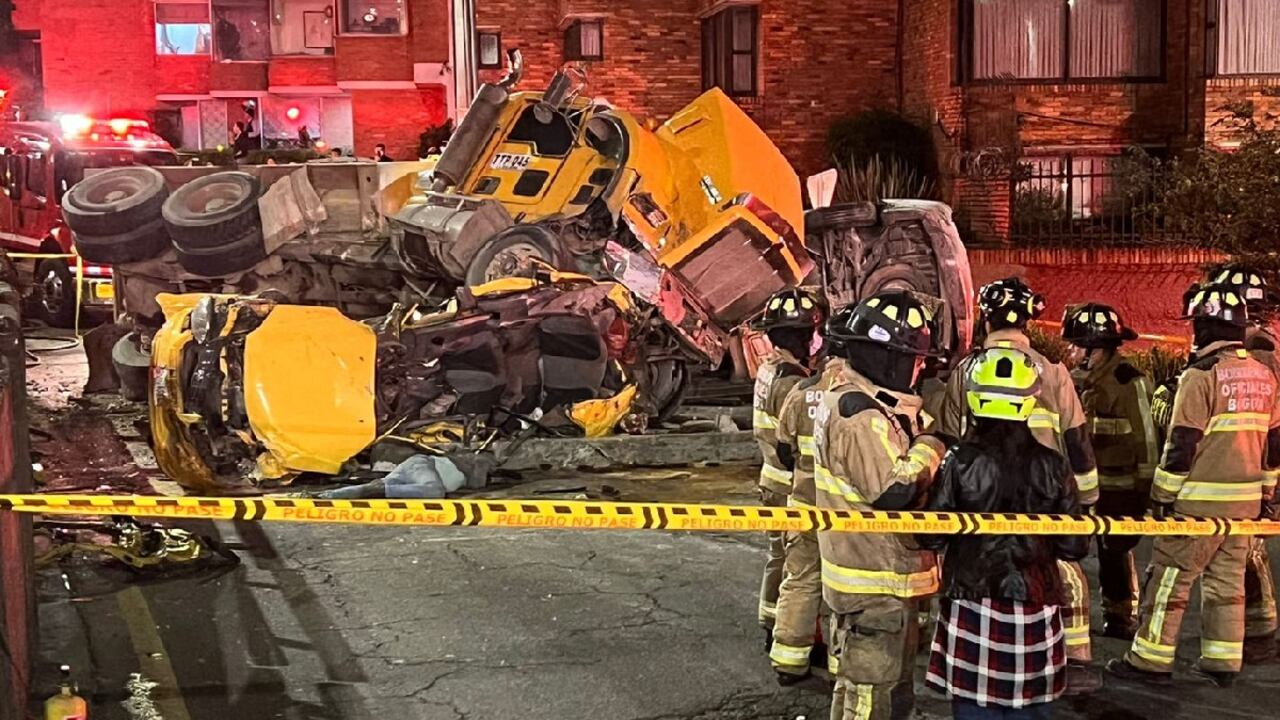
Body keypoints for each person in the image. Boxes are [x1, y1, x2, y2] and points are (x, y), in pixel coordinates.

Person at [1107, 283, 1280, 688]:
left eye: (1196, 325)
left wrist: (1162, 496)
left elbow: (1182, 442)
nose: (1192, 334)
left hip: (1197, 504)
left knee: (1170, 579)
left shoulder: (1201, 376)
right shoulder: (1264, 375)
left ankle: (1150, 660)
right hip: (1245, 505)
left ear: (1207, 326)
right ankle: (1223, 660)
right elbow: (1275, 443)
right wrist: (1267, 494)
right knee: (1227, 583)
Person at [936, 277, 1100, 692]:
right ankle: (1074, 659)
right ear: (1029, 319)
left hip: (979, 498)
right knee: (1062, 575)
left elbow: (950, 437)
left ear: (986, 318)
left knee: (972, 574)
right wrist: (1086, 500)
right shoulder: (1054, 371)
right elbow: (1077, 439)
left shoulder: (966, 371)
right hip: (1047, 494)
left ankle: (966, 662)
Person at [922, 346, 1088, 720]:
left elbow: (930, 535)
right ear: (1029, 400)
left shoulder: (959, 460)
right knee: (1033, 709)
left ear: (975, 397)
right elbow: (1075, 545)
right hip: (1035, 602)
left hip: (972, 600)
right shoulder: (1053, 465)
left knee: (974, 709)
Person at [814, 289, 944, 720]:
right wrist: (931, 445)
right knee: (876, 695)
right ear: (887, 357)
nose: (920, 367)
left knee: (857, 687)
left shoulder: (861, 400)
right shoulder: (860, 414)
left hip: (868, 579)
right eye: (915, 357)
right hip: (875, 583)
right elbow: (893, 491)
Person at [1062, 303, 1158, 640]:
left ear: (1095, 349)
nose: (1070, 351)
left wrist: (1146, 492)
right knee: (1067, 552)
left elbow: (1146, 441)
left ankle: (1120, 617)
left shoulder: (1128, 381)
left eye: (1076, 345)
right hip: (1077, 488)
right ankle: (1067, 618)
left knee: (1115, 553)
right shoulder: (1069, 384)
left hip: (1119, 489)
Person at [768, 304, 851, 683]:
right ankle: (838, 667)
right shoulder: (857, 397)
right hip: (842, 512)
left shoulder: (801, 391)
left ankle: (788, 660)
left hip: (802, 505)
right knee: (841, 588)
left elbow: (784, 451)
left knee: (799, 579)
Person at [750, 288, 825, 645]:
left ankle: (770, 622)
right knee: (798, 567)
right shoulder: (793, 382)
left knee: (777, 557)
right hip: (788, 486)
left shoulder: (768, 370)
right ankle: (786, 633)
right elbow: (793, 446)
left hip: (769, 479)